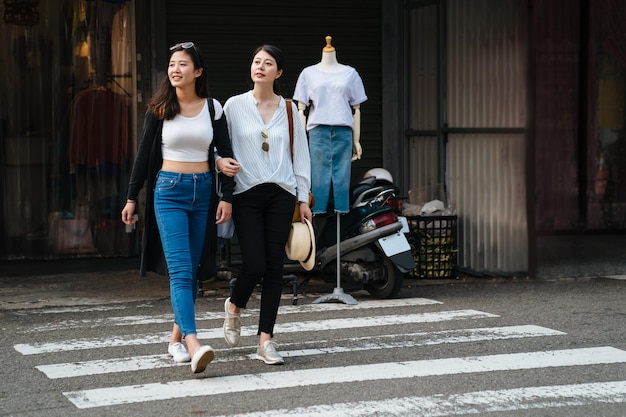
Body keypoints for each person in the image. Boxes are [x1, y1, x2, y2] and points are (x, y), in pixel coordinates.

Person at [121, 41, 240, 373]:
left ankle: (175, 340)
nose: (175, 69)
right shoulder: (160, 108)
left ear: (197, 72)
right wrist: (132, 197)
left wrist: (227, 197)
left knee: (192, 269)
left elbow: (226, 155)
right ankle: (192, 342)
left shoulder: (213, 108)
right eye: (172, 64)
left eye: (183, 64)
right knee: (180, 269)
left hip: (202, 192)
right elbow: (144, 157)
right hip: (169, 192)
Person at [222, 44, 312, 365]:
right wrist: (220, 165)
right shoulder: (233, 106)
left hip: (281, 194)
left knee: (275, 267)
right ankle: (234, 306)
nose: (260, 66)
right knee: (255, 263)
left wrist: (303, 199)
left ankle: (265, 341)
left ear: (279, 72)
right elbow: (219, 145)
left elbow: (301, 157)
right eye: (256, 61)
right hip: (245, 193)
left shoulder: (289, 110)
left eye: (268, 62)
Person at [293, 36, 367, 214]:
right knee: (318, 177)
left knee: (342, 177)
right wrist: (301, 140)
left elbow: (356, 108)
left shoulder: (350, 73)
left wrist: (357, 140)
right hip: (318, 131)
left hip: (344, 131)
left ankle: (341, 210)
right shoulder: (308, 73)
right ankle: (317, 214)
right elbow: (301, 109)